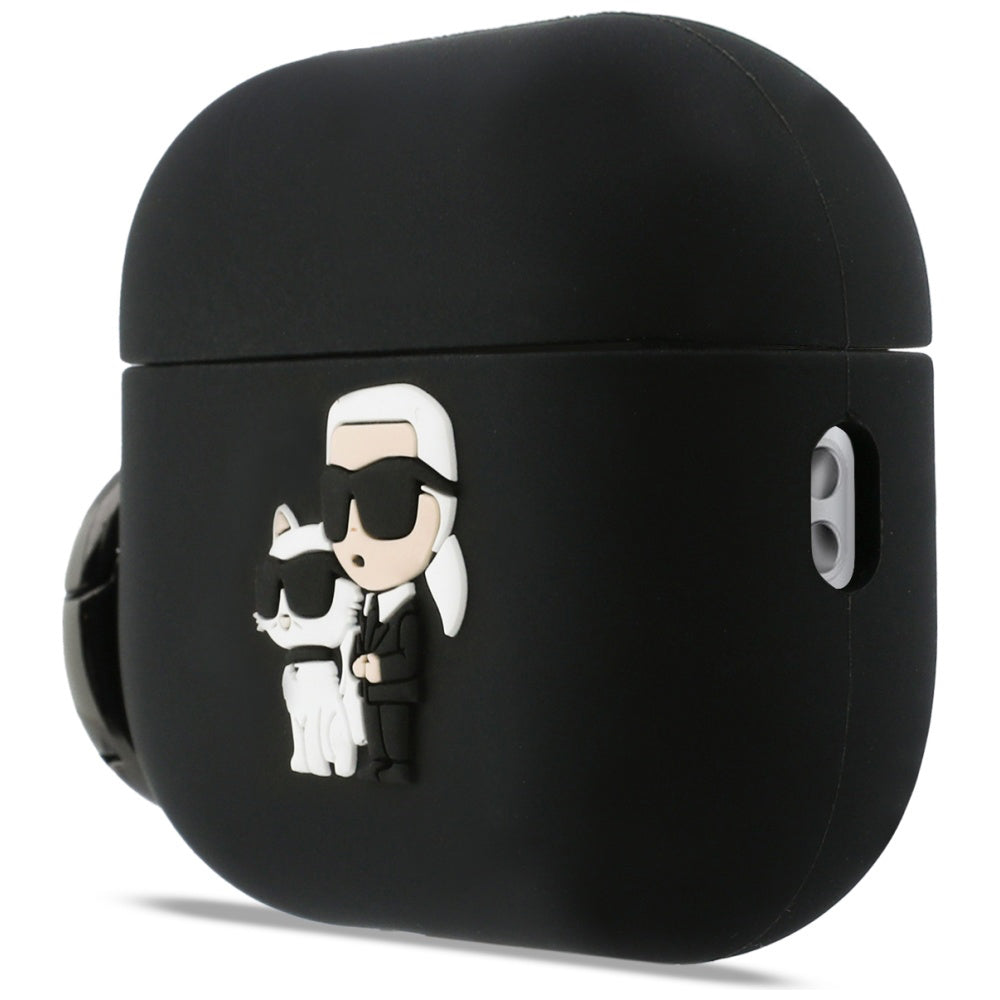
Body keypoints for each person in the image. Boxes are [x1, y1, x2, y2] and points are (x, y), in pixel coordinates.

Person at [321, 383, 467, 782]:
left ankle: (397, 765)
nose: (354, 528)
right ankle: (382, 764)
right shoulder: (369, 606)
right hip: (372, 692)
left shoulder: (406, 614)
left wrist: (380, 668)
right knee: (379, 733)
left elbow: (409, 655)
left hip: (396, 691)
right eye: (337, 499)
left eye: (385, 499)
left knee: (395, 732)